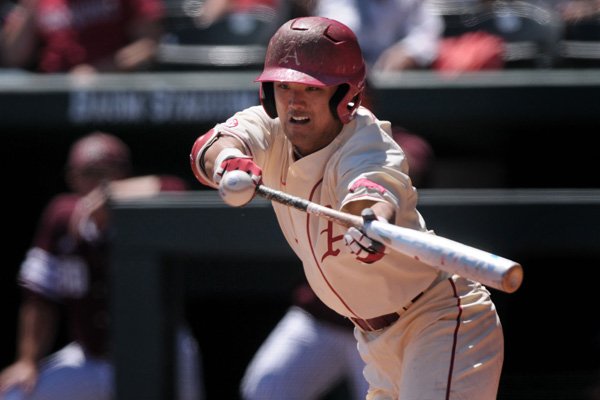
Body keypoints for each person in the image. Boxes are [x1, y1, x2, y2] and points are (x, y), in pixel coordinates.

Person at [190, 16, 503, 400]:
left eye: (311, 88)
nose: (294, 100)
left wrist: (369, 221)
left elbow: (373, 191)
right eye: (284, 86)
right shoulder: (270, 127)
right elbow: (213, 144)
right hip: (374, 340)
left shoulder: (368, 142)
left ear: (345, 95)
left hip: (438, 319)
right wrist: (228, 164)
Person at [0, 132, 204, 400]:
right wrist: (28, 359)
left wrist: (114, 197)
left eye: (109, 172)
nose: (99, 182)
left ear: (126, 174)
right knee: (14, 394)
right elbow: (39, 295)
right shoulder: (61, 217)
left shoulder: (145, 209)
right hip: (91, 358)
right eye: (89, 173)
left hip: (157, 352)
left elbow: (177, 188)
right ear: (72, 177)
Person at [239, 125, 435, 400]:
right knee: (266, 388)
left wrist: (368, 191)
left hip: (384, 320)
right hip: (322, 314)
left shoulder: (391, 143)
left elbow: (402, 168)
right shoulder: (301, 144)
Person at [0, 0, 164, 73]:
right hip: (55, 90)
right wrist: (29, 6)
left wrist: (99, 71)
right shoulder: (43, 2)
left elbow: (148, 46)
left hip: (108, 87)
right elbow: (14, 56)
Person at [311, 0, 444, 72]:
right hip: (348, 77)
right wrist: (354, 58)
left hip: (397, 83)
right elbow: (332, 30)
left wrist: (407, 51)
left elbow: (426, 33)